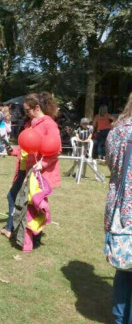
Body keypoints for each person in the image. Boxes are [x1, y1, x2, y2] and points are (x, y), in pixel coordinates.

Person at [0, 92, 61, 239]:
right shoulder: (29, 124)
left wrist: (43, 164)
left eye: (27, 110)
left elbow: (55, 149)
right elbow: (26, 146)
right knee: (14, 197)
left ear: (36, 108)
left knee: (32, 204)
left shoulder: (49, 124)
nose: (25, 113)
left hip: (36, 172)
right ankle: (11, 228)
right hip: (23, 169)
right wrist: (12, 150)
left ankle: (30, 234)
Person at [104, 92, 132, 324]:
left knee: (124, 270)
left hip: (122, 209)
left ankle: (119, 318)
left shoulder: (117, 132)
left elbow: (112, 167)